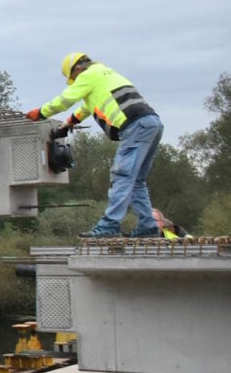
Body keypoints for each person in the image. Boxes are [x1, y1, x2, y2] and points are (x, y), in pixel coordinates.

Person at [27, 53, 163, 238]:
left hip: (135, 126)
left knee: (121, 176)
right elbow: (88, 107)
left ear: (77, 69)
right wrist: (70, 122)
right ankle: (148, 226)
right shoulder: (105, 74)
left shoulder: (88, 75)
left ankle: (109, 225)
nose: (75, 82)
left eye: (73, 78)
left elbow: (66, 99)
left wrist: (42, 113)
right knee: (136, 180)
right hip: (151, 124)